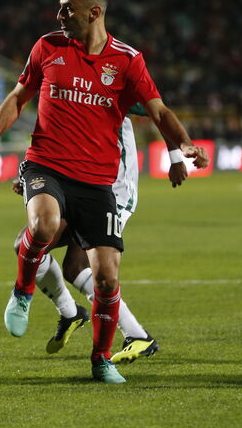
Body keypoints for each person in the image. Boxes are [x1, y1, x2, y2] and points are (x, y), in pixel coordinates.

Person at [0, 0, 209, 384]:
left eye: (68, 8)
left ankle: (101, 359)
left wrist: (184, 146)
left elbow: (159, 111)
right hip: (48, 165)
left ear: (94, 12)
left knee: (106, 276)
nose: (59, 14)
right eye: (60, 6)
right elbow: (19, 96)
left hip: (99, 182)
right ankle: (24, 291)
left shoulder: (127, 61)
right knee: (42, 225)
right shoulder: (47, 47)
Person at [11, 109, 187, 364]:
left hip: (115, 190)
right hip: (80, 183)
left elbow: (158, 111)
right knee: (46, 254)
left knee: (70, 262)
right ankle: (78, 316)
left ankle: (132, 334)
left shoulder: (113, 77)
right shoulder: (70, 88)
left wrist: (175, 157)